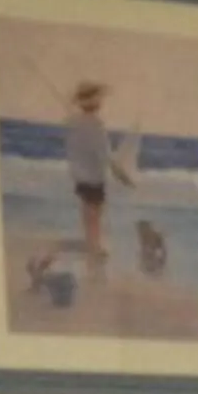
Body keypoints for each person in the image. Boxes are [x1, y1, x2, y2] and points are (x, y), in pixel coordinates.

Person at [63, 81, 124, 270]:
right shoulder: (97, 125)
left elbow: (73, 148)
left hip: (79, 175)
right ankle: (94, 248)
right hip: (94, 176)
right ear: (95, 101)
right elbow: (105, 154)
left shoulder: (73, 122)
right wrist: (120, 173)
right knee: (95, 214)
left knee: (87, 211)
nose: (101, 101)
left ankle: (91, 244)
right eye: (99, 98)